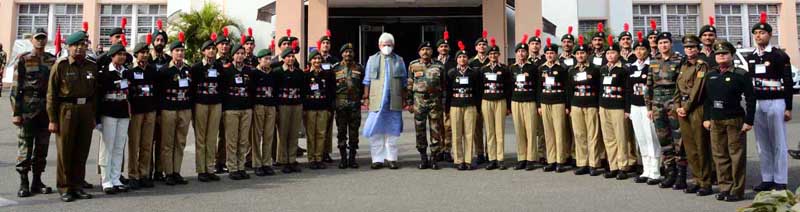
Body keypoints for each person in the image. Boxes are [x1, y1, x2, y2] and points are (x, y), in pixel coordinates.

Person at [47, 30, 97, 202]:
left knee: (82, 151)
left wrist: (93, 116)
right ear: (69, 47)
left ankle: (78, 186)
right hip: (67, 110)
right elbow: (51, 94)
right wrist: (52, 119)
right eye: (76, 45)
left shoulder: (91, 65)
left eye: (83, 45)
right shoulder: (60, 65)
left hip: (86, 110)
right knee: (65, 151)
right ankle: (65, 187)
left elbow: (95, 93)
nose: (80, 48)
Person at [702, 41, 755, 202]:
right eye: (718, 54)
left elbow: (751, 99)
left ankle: (737, 190)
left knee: (736, 156)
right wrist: (706, 118)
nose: (721, 56)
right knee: (719, 155)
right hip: (716, 120)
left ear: (731, 56)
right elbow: (707, 99)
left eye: (725, 53)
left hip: (735, 120)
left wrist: (749, 120)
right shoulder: (710, 75)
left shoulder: (740, 74)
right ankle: (725, 187)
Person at [748, 12, 793, 192]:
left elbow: (788, 82)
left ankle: (780, 179)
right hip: (759, 102)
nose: (759, 36)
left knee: (778, 142)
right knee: (762, 143)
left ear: (770, 35)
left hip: (776, 101)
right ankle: (767, 177)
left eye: (762, 33)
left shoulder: (779, 55)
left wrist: (788, 107)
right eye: (756, 33)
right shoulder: (751, 56)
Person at [12, 28, 56, 197]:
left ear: (46, 40)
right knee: (25, 148)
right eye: (37, 38)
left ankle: (37, 181)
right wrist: (16, 112)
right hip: (27, 109)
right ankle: (24, 182)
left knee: (42, 148)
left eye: (43, 38)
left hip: (46, 110)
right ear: (31, 40)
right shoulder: (23, 59)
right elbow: (16, 88)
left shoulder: (52, 60)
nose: (40, 41)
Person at [674, 35, 713, 196]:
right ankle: (696, 179)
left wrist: (686, 107)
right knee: (690, 147)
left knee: (701, 146)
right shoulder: (683, 65)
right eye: (687, 47)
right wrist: (677, 106)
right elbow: (677, 88)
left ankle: (705, 182)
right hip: (682, 108)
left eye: (692, 47)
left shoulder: (701, 66)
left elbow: (697, 90)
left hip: (696, 108)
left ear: (698, 49)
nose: (689, 50)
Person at [363, 33, 408, 170]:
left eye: (389, 45)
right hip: (377, 101)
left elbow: (404, 82)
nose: (386, 47)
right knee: (376, 131)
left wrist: (405, 99)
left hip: (394, 101)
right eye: (384, 45)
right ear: (379, 46)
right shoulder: (372, 60)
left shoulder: (399, 60)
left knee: (392, 132)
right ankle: (377, 159)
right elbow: (367, 81)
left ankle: (391, 158)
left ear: (393, 46)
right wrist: (366, 97)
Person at [648, 32, 686, 190]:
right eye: (661, 43)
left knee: (678, 140)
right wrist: (649, 107)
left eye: (666, 42)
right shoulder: (654, 61)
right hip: (657, 104)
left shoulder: (679, 60)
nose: (663, 45)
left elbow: (682, 84)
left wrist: (680, 104)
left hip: (673, 102)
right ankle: (670, 172)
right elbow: (649, 85)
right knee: (663, 139)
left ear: (671, 44)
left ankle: (681, 175)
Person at [626, 32, 661, 185]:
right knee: (640, 138)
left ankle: (655, 171)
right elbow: (627, 89)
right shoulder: (631, 67)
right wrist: (628, 109)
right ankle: (646, 169)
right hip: (635, 106)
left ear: (648, 50)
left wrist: (652, 107)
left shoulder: (652, 65)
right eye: (637, 49)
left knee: (651, 137)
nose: (639, 51)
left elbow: (655, 87)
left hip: (648, 107)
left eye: (642, 48)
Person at [156, 34, 192, 186]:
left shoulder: (188, 70)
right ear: (171, 53)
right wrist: (159, 112)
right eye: (177, 50)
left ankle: (177, 171)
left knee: (180, 141)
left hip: (184, 108)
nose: (180, 53)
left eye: (182, 51)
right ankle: (168, 172)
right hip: (168, 109)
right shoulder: (164, 71)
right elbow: (159, 93)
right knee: (167, 142)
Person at [96, 44, 132, 194]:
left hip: (123, 111)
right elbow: (98, 97)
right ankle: (106, 180)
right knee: (107, 147)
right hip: (109, 111)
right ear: (111, 56)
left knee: (119, 147)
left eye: (124, 54)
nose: (122, 57)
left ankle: (116, 178)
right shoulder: (104, 73)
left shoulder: (126, 72)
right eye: (119, 54)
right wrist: (97, 118)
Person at [125, 39, 159, 189]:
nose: (145, 55)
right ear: (136, 55)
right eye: (141, 53)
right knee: (134, 144)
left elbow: (157, 92)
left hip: (150, 111)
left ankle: (144, 174)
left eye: (146, 52)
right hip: (136, 113)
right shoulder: (130, 72)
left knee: (146, 145)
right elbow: (127, 93)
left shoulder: (152, 71)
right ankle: (133, 175)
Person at [407, 41, 446, 170]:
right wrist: (409, 102)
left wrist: (444, 101)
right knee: (420, 130)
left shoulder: (439, 65)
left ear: (432, 52)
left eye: (428, 49)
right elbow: (409, 84)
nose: (425, 52)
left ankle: (434, 157)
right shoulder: (413, 65)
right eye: (423, 49)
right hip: (419, 102)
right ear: (419, 52)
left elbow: (444, 85)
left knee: (436, 129)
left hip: (435, 101)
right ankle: (423, 157)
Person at [190, 33, 223, 182]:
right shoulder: (196, 68)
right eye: (208, 49)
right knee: (201, 138)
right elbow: (191, 89)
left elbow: (222, 86)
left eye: (213, 48)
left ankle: (210, 168)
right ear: (203, 52)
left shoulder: (219, 66)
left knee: (211, 138)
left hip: (215, 104)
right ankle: (201, 169)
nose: (211, 51)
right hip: (201, 104)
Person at [568, 35, 602, 175]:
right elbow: (569, 90)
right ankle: (582, 162)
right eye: (578, 53)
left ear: (587, 54)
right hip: (576, 105)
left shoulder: (594, 69)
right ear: (575, 55)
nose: (580, 55)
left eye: (582, 53)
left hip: (591, 104)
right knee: (579, 134)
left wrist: (599, 105)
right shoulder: (572, 70)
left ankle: (593, 163)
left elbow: (599, 88)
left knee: (592, 135)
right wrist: (569, 107)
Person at [598, 36, 631, 179]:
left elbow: (628, 90)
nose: (610, 55)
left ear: (618, 54)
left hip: (618, 106)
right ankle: (613, 166)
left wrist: (627, 109)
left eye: (613, 53)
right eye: (608, 54)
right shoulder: (603, 69)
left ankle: (623, 166)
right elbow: (600, 89)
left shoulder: (623, 69)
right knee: (609, 138)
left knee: (620, 137)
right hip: (604, 106)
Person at [221, 40, 255, 180]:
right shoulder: (227, 70)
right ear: (233, 55)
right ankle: (232, 167)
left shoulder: (249, 71)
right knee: (232, 139)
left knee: (243, 140)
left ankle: (241, 166)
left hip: (246, 109)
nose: (240, 56)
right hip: (231, 109)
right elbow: (223, 91)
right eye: (237, 53)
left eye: (242, 53)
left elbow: (252, 90)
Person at [446, 41, 481, 170]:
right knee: (456, 133)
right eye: (460, 57)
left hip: (470, 105)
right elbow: (448, 92)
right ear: (456, 59)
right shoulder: (451, 73)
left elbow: (478, 91)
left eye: (464, 57)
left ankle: (468, 159)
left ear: (468, 59)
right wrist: (447, 109)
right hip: (455, 105)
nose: (462, 59)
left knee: (469, 133)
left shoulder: (474, 73)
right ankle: (459, 159)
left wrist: (477, 107)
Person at [509, 35, 540, 170]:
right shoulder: (512, 68)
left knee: (531, 130)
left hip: (529, 101)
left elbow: (538, 87)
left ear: (527, 53)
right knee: (519, 130)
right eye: (519, 51)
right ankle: (521, 157)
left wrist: (538, 104)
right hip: (516, 101)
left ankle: (531, 158)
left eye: (523, 51)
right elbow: (509, 86)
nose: (521, 53)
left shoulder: (532, 68)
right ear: (515, 53)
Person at [538, 38, 569, 172]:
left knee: (559, 132)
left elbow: (567, 88)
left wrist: (567, 106)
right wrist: (539, 105)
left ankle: (560, 160)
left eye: (552, 53)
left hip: (558, 102)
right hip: (545, 103)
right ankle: (551, 160)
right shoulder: (541, 68)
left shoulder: (562, 68)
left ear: (556, 54)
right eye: (547, 53)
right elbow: (539, 88)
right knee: (548, 133)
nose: (550, 55)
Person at [480, 38, 511, 170]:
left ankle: (500, 158)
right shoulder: (483, 69)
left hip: (500, 101)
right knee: (490, 131)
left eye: (495, 54)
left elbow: (508, 87)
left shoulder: (504, 69)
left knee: (499, 130)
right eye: (491, 54)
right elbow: (479, 88)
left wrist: (508, 106)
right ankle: (491, 158)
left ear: (498, 55)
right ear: (488, 55)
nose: (493, 56)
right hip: (487, 101)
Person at [303, 47, 336, 170]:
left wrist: (329, 108)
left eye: (319, 58)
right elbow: (303, 92)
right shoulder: (306, 75)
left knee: (321, 134)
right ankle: (311, 158)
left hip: (323, 108)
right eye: (314, 59)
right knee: (311, 134)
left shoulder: (326, 75)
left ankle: (319, 157)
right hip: (310, 109)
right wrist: (304, 109)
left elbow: (330, 92)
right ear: (310, 61)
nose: (317, 61)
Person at [333, 43, 365, 169]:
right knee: (341, 132)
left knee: (354, 132)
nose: (348, 54)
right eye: (346, 51)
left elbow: (364, 85)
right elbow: (331, 87)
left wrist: (363, 99)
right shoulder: (335, 68)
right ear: (342, 54)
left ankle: (352, 158)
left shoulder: (360, 68)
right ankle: (343, 159)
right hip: (340, 105)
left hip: (354, 104)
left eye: (350, 52)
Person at [275, 40, 305, 173]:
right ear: (283, 58)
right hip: (283, 105)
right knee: (283, 133)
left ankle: (292, 159)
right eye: (288, 56)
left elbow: (303, 90)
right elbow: (275, 90)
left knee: (294, 133)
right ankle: (283, 160)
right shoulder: (278, 72)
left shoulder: (299, 73)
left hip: (296, 105)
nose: (291, 59)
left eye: (293, 56)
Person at [251, 48, 279, 175]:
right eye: (265, 59)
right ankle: (257, 163)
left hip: (271, 106)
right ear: (259, 60)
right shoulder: (254, 73)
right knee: (257, 136)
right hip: (259, 106)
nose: (268, 61)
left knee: (268, 135)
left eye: (269, 59)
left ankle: (267, 162)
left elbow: (276, 91)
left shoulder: (273, 74)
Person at [150, 19, 171, 181]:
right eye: (157, 39)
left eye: (162, 40)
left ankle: (159, 170)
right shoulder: (145, 59)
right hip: (149, 105)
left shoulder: (168, 60)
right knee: (148, 142)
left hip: (164, 105)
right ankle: (146, 171)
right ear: (152, 41)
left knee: (163, 141)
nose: (160, 42)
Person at [468, 31, 488, 165]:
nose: (481, 46)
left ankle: (491, 152)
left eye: (484, 44)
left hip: (489, 98)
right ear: (476, 48)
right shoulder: (470, 62)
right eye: (479, 45)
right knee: (477, 128)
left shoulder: (491, 60)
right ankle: (480, 153)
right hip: (475, 99)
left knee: (491, 128)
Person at [319, 31, 339, 164]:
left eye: (328, 43)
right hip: (317, 97)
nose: (326, 45)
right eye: (323, 43)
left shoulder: (334, 61)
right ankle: (317, 153)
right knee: (317, 129)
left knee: (327, 128)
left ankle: (326, 152)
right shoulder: (315, 58)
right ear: (319, 45)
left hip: (330, 97)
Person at [436, 31, 456, 163]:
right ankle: (438, 150)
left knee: (448, 126)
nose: (444, 48)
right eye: (441, 46)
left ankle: (447, 150)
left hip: (449, 97)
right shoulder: (432, 62)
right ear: (438, 49)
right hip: (435, 98)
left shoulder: (454, 62)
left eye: (446, 47)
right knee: (437, 125)